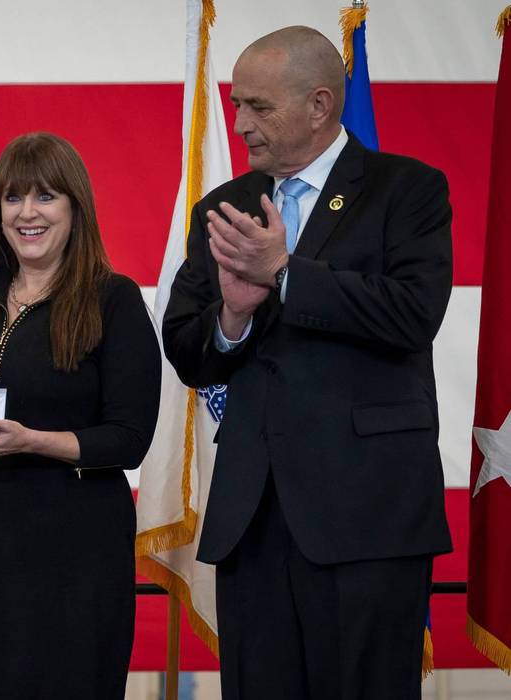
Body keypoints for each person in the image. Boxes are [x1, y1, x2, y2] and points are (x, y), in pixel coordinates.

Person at [162, 26, 452, 699]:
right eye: (235, 105)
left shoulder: (403, 190)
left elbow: (412, 314)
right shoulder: (225, 206)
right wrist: (231, 316)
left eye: (258, 107)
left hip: (366, 517)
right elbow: (185, 347)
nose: (238, 124)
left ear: (319, 104)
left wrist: (286, 274)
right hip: (252, 516)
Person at [0, 132, 161, 698]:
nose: (27, 213)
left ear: (75, 207)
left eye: (46, 197)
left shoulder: (114, 299)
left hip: (75, 549)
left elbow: (129, 438)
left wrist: (34, 441)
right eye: (12, 198)